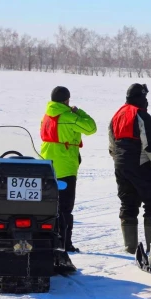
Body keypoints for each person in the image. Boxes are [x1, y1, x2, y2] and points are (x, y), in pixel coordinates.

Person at [109, 83, 151, 254]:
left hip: (120, 164)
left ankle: (130, 247)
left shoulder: (116, 115)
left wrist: (120, 161)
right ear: (141, 97)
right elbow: (150, 145)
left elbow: (111, 145)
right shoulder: (140, 115)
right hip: (140, 164)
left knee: (128, 203)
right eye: (145, 97)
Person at [40, 86, 97, 252]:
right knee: (65, 207)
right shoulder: (68, 116)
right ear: (67, 100)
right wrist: (79, 112)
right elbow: (91, 128)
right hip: (65, 167)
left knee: (49, 205)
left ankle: (48, 240)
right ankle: (65, 243)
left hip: (46, 165)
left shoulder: (46, 116)